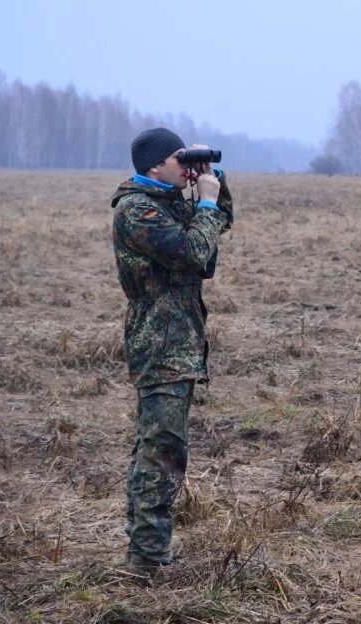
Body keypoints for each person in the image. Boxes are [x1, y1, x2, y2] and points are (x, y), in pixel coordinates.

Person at [111, 127, 233, 570]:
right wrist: (202, 202)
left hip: (178, 343)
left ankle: (149, 551)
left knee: (163, 447)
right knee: (160, 453)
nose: (185, 167)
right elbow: (195, 254)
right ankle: (147, 558)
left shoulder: (165, 203)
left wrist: (212, 185)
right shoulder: (137, 211)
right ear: (155, 165)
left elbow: (217, 230)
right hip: (160, 346)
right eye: (180, 159)